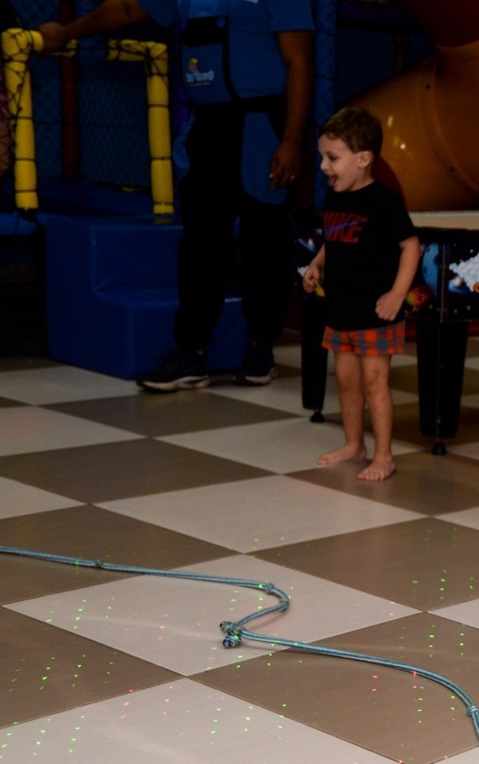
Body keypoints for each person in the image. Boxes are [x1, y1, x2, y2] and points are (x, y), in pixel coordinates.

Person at [38, 0, 314, 392]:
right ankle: (190, 351)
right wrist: (66, 32)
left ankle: (260, 345)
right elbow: (126, 10)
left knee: (263, 238)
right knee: (201, 239)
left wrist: (291, 141)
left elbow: (299, 62)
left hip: (259, 124)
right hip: (207, 126)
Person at [301, 108, 419, 482]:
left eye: (332, 158)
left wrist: (397, 294)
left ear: (363, 159)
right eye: (322, 157)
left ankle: (384, 454)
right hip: (340, 309)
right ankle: (354, 444)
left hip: (375, 313)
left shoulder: (383, 201)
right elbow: (334, 239)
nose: (323, 166)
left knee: (374, 383)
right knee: (347, 381)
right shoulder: (334, 197)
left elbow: (410, 246)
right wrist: (317, 263)